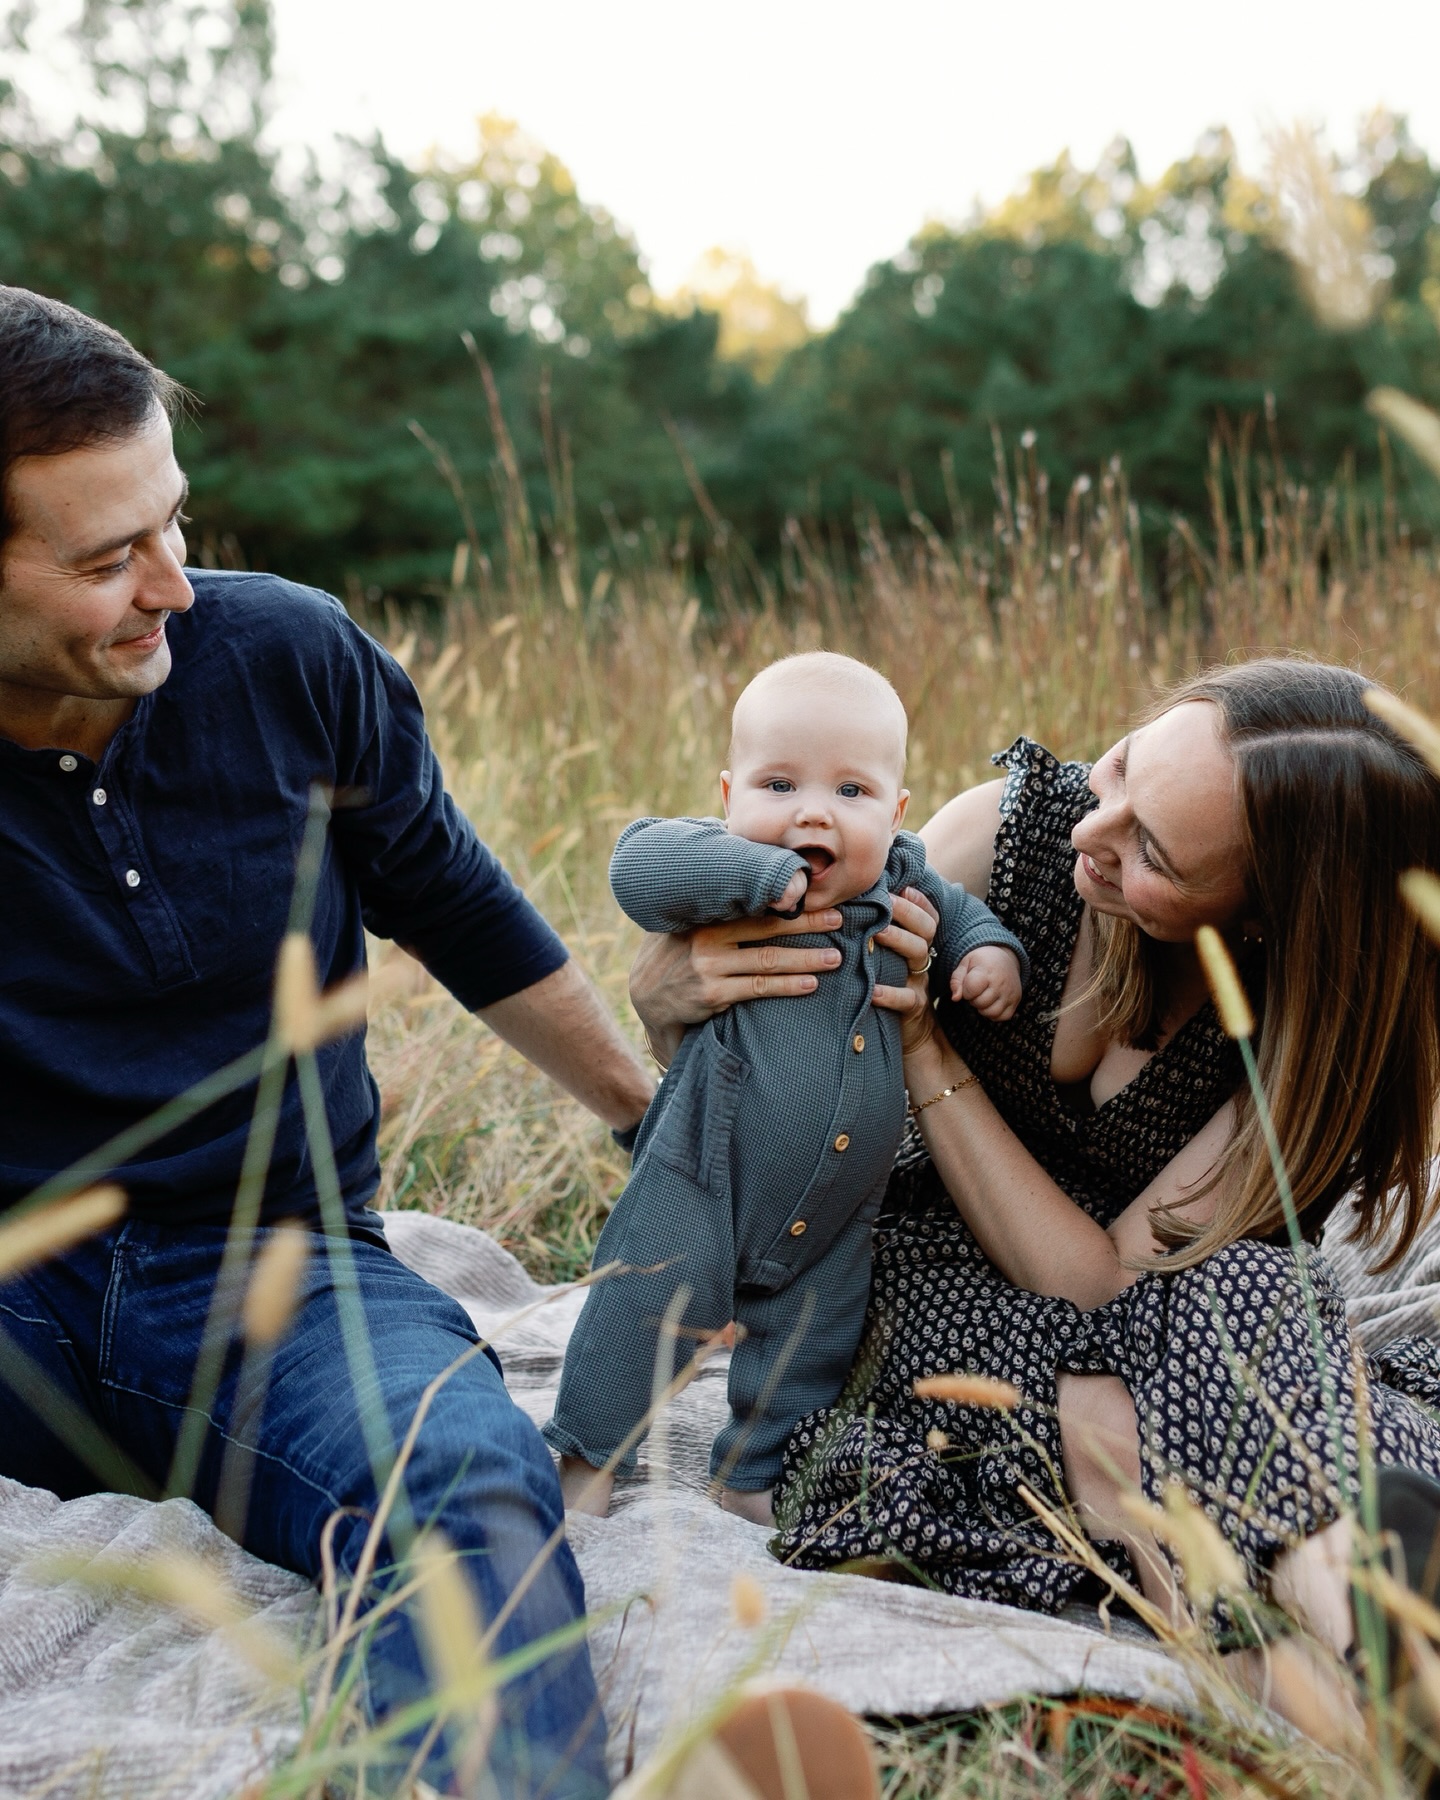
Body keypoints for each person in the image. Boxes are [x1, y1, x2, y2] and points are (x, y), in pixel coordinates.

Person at [0, 287, 658, 1798]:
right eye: (108, 559)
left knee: (464, 1472)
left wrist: (656, 1134)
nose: (173, 581)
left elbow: (465, 912)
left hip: (273, 1268)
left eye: (174, 518)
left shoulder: (287, 656)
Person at [629, 661, 1440, 1707]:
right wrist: (669, 1000)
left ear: (1260, 921)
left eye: (1152, 850)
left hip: (1149, 1295)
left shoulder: (1295, 1034)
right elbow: (738, 1046)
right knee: (1103, 1406)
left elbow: (1105, 1280)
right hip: (914, 1267)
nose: (1089, 836)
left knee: (1244, 1305)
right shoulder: (995, 840)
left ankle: (1363, 1642)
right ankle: (1329, 1683)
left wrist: (926, 1048)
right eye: (1122, 770)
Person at [546, 654, 1026, 1523]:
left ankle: (751, 1480)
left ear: (897, 812)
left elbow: (965, 918)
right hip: (707, 1167)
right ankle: (587, 1460)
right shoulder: (717, 864)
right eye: (778, 784)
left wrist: (991, 957)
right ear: (728, 794)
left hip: (842, 1206)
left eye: (852, 792)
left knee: (812, 1344)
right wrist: (757, 875)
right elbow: (635, 866)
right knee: (645, 1300)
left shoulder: (904, 879)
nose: (812, 811)